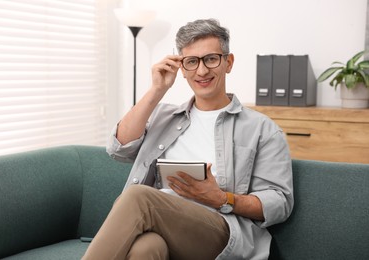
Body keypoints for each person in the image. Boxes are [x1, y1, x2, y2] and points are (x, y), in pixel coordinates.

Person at [82, 18, 294, 260]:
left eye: (211, 59)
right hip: (163, 226)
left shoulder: (262, 129)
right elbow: (118, 149)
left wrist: (222, 198)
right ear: (182, 68)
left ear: (228, 62)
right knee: (147, 248)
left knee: (137, 196)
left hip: (220, 230)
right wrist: (156, 90)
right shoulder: (164, 116)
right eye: (191, 62)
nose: (202, 71)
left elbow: (280, 203)